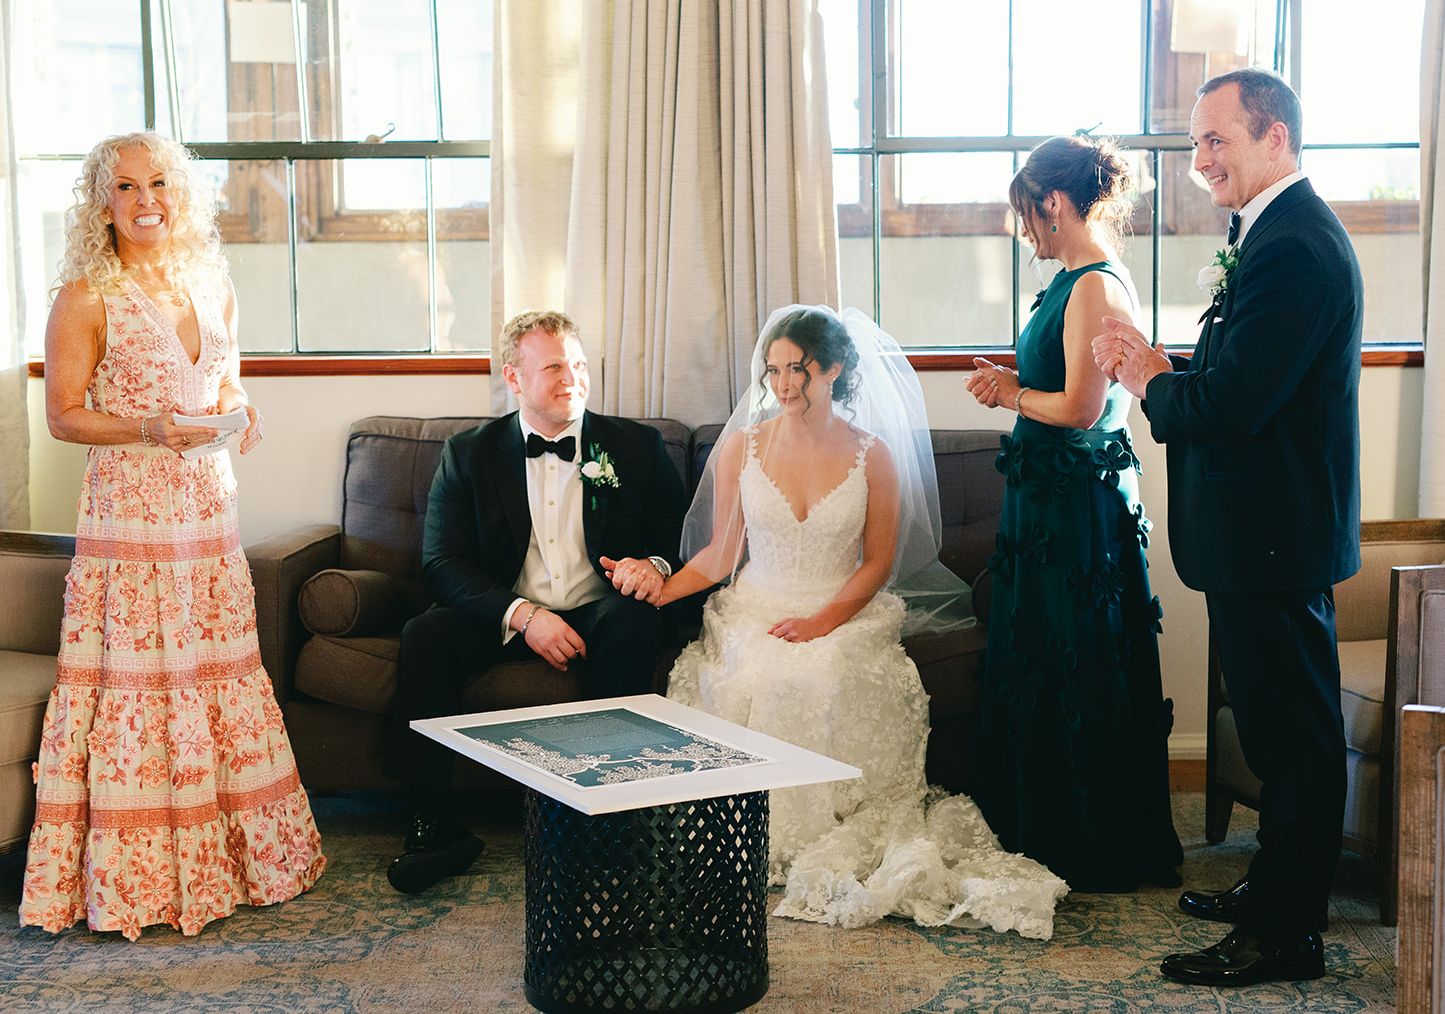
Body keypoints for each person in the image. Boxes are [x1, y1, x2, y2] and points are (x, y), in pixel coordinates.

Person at [651, 304, 1067, 939]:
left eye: (799, 369)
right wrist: (660, 591)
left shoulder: (873, 455)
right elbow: (720, 553)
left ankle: (812, 832)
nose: (785, 384)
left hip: (842, 608)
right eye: (774, 371)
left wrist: (823, 620)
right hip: (756, 605)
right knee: (753, 677)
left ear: (835, 368)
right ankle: (752, 834)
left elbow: (877, 565)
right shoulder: (742, 445)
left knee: (815, 676)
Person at [1093, 67, 1362, 986]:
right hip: (1262, 533)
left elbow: (1241, 402)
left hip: (1274, 534)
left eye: (1219, 139)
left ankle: (1286, 933)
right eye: (1198, 140)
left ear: (1275, 137)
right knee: (1282, 730)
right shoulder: (1272, 232)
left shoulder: (1296, 246)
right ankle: (1281, 890)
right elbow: (1242, 372)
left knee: (1294, 741)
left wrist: (1147, 384)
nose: (1200, 157)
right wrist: (1169, 365)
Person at [21, 132, 325, 940]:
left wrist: (241, 406)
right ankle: (140, 883)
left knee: (215, 670)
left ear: (179, 192)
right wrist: (147, 427)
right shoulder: (86, 296)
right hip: (130, 518)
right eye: (125, 187)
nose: (145, 199)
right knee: (141, 681)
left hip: (207, 511)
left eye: (159, 182)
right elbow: (62, 416)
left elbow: (222, 377)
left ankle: (240, 861)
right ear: (102, 201)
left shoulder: (212, 280)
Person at [384, 309, 688, 894]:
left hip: (601, 610)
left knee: (633, 620)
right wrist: (525, 618)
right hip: (507, 613)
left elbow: (682, 541)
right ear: (514, 378)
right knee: (426, 633)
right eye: (552, 366)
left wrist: (652, 568)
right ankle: (433, 826)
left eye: (577, 364)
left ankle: (603, 820)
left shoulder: (637, 447)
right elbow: (441, 564)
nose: (570, 377)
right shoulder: (468, 453)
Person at [962, 134, 1182, 895]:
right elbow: (1065, 365)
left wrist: (1008, 395)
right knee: (1046, 658)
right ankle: (1040, 824)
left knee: (1070, 660)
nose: (1026, 229)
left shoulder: (1093, 284)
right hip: (1049, 496)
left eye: (1027, 212)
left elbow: (1084, 410)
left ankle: (1083, 838)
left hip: (1073, 505)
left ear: (1053, 202)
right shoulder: (1075, 281)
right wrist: (1017, 375)